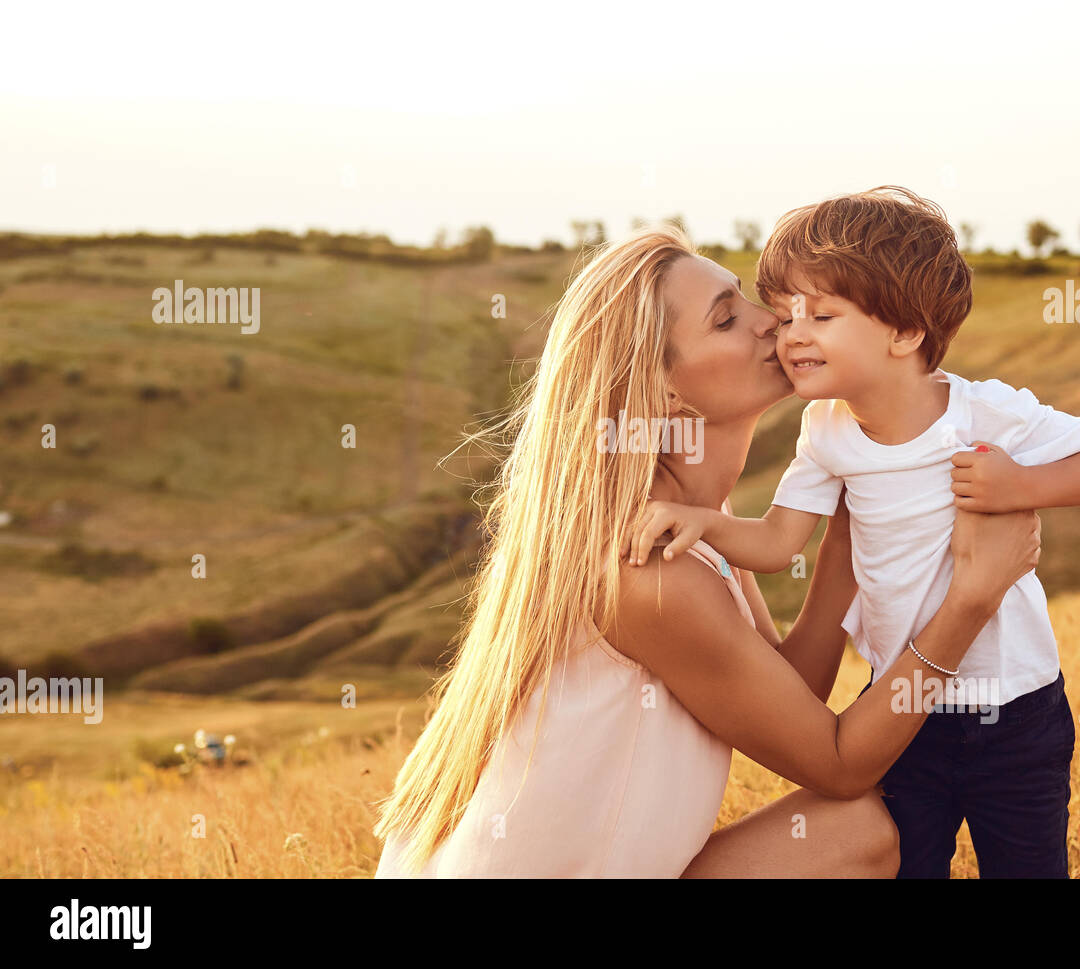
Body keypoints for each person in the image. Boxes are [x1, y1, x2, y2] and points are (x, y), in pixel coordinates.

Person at [373, 225, 1041, 877]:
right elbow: (837, 763)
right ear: (664, 390)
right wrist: (971, 600)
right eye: (727, 320)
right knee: (862, 828)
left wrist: (852, 519)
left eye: (745, 297)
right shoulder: (650, 570)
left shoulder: (694, 521)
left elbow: (792, 699)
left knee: (859, 826)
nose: (771, 321)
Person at [626, 188, 1080, 877]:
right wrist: (707, 525)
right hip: (903, 714)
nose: (789, 332)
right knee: (902, 861)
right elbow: (779, 543)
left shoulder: (982, 413)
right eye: (789, 312)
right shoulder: (827, 431)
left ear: (904, 332)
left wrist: (1024, 487)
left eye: (822, 315)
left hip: (1014, 707)